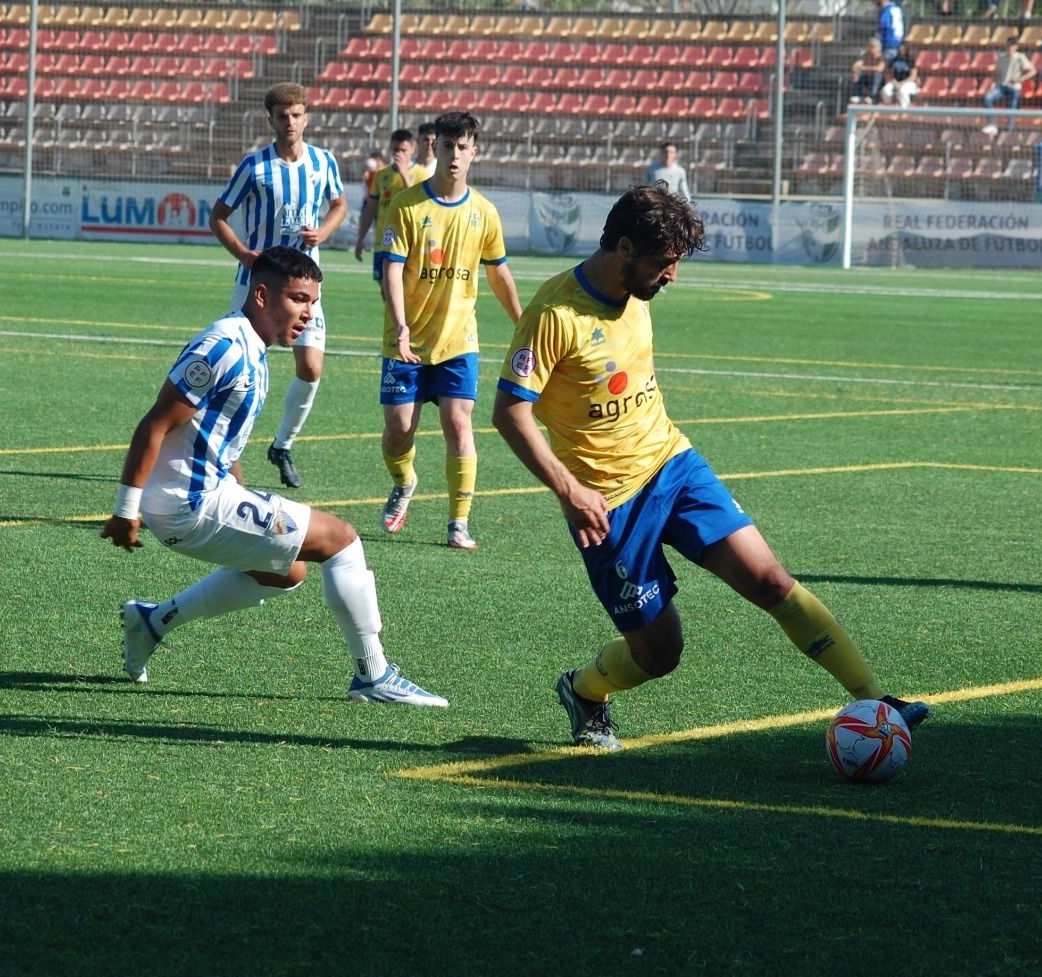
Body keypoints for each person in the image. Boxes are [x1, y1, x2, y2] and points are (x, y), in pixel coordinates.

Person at [491, 185, 931, 751]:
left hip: (673, 465)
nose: (672, 275)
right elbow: (510, 413)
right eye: (664, 262)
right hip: (608, 504)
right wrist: (569, 488)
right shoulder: (554, 314)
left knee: (770, 579)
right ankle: (584, 690)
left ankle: (877, 700)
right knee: (661, 653)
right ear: (624, 247)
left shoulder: (638, 291)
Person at [100, 245, 447, 708]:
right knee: (342, 540)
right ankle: (373, 674)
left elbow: (222, 439)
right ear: (262, 295)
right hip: (190, 502)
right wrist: (126, 511)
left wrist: (241, 496)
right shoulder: (224, 346)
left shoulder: (254, 350)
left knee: (286, 572)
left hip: (205, 493)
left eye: (314, 303)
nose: (309, 314)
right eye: (299, 299)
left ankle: (153, 622)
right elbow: (155, 424)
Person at [376, 111, 523, 551]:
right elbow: (392, 273)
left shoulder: (484, 212)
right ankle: (404, 482)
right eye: (447, 146)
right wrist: (401, 326)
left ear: (474, 151)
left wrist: (524, 324)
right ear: (434, 147)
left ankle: (458, 522)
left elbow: (499, 275)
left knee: (459, 426)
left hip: (460, 340)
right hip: (405, 341)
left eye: (463, 148)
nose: (454, 155)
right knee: (399, 431)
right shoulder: (407, 205)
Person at [209, 82, 348, 491]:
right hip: (260, 287)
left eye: (297, 115)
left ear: (306, 117)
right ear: (270, 120)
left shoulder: (323, 162)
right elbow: (218, 216)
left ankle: (282, 445)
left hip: (306, 288)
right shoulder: (255, 167)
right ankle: (223, 454)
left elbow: (339, 204)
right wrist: (244, 254)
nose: (290, 122)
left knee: (311, 367)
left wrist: (324, 231)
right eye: (282, 116)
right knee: (240, 369)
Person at [353, 127, 420, 277]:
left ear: (413, 150)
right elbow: (370, 208)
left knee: (404, 293)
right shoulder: (381, 175)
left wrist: (404, 174)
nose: (399, 154)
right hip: (384, 242)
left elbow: (420, 206)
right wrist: (360, 238)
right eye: (396, 149)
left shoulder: (422, 174)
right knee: (386, 292)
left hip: (409, 243)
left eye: (404, 150)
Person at [981, 36, 1036, 135]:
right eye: (1008, 45)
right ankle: (992, 123)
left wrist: (1020, 79)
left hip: (1014, 87)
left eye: (1012, 45)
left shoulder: (1020, 57)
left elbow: (1033, 71)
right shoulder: (1001, 58)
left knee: (1012, 105)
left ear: (1016, 47)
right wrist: (994, 83)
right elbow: (997, 74)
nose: (1010, 47)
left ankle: (1009, 128)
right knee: (988, 98)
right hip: (1002, 87)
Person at [872, 0, 904, 101]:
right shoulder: (896, 8)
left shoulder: (886, 10)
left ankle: (873, 95)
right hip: (896, 43)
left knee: (880, 69)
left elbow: (883, 25)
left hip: (888, 44)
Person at [848, 38, 882, 104]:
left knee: (876, 74)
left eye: (873, 47)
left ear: (878, 48)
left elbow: (879, 68)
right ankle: (858, 95)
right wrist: (855, 72)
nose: (871, 49)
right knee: (858, 74)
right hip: (866, 78)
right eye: (870, 47)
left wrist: (864, 68)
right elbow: (855, 66)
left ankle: (872, 96)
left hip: (879, 82)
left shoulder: (881, 57)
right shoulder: (865, 56)